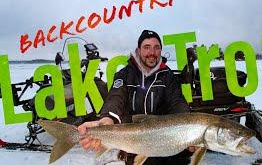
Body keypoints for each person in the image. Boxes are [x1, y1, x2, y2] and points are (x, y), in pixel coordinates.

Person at [78, 30, 194, 165]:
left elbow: (178, 102)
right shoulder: (124, 74)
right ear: (138, 50)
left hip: (162, 138)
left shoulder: (168, 76)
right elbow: (116, 98)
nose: (152, 52)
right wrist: (107, 119)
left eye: (157, 48)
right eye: (147, 47)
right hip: (132, 140)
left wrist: (190, 128)